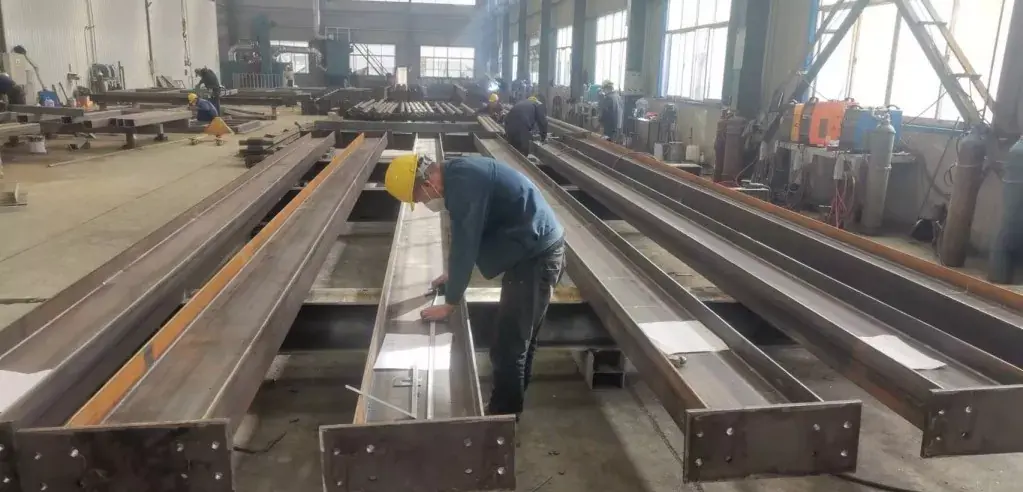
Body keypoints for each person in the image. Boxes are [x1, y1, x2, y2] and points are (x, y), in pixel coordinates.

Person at [382, 152, 565, 417]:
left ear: (428, 183)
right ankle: (511, 405)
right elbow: (466, 235)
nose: (424, 203)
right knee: (520, 339)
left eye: (420, 198)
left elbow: (465, 244)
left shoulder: (464, 186)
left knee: (509, 346)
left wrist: (450, 302)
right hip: (534, 248)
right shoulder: (458, 173)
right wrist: (453, 275)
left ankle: (502, 418)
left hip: (537, 257)